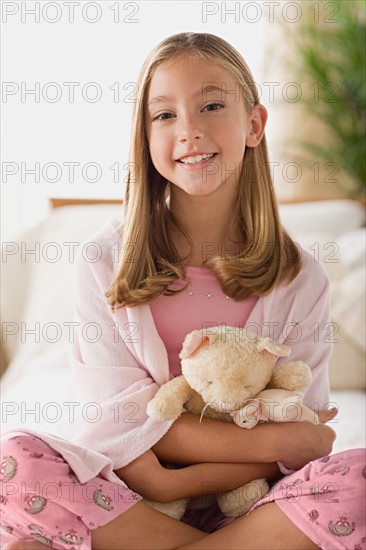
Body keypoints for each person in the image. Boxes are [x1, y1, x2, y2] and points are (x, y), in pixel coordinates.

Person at [1, 32, 364, 550]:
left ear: (254, 125)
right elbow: (119, 420)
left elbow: (299, 434)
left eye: (212, 105)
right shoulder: (104, 262)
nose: (189, 131)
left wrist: (282, 443)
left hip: (253, 505)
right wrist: (174, 482)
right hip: (129, 500)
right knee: (14, 462)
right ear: (145, 139)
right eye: (164, 115)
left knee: (359, 481)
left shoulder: (299, 279)